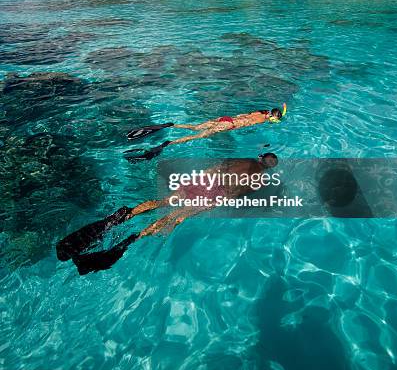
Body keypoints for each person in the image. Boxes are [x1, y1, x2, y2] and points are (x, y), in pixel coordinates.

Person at [57, 153, 279, 274]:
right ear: (268, 169)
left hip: (206, 182)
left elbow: (215, 169)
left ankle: (124, 216)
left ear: (261, 156)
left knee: (162, 202)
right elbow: (229, 197)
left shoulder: (246, 160)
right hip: (216, 194)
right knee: (174, 217)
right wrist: (203, 207)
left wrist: (193, 181)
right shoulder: (257, 182)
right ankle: (135, 238)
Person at [125, 105, 287, 161]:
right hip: (228, 126)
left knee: (195, 127)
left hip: (225, 119)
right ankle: (169, 143)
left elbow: (246, 118)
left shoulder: (259, 112)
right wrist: (263, 144)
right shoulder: (262, 120)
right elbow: (247, 127)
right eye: (274, 119)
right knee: (196, 136)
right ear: (272, 116)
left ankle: (171, 125)